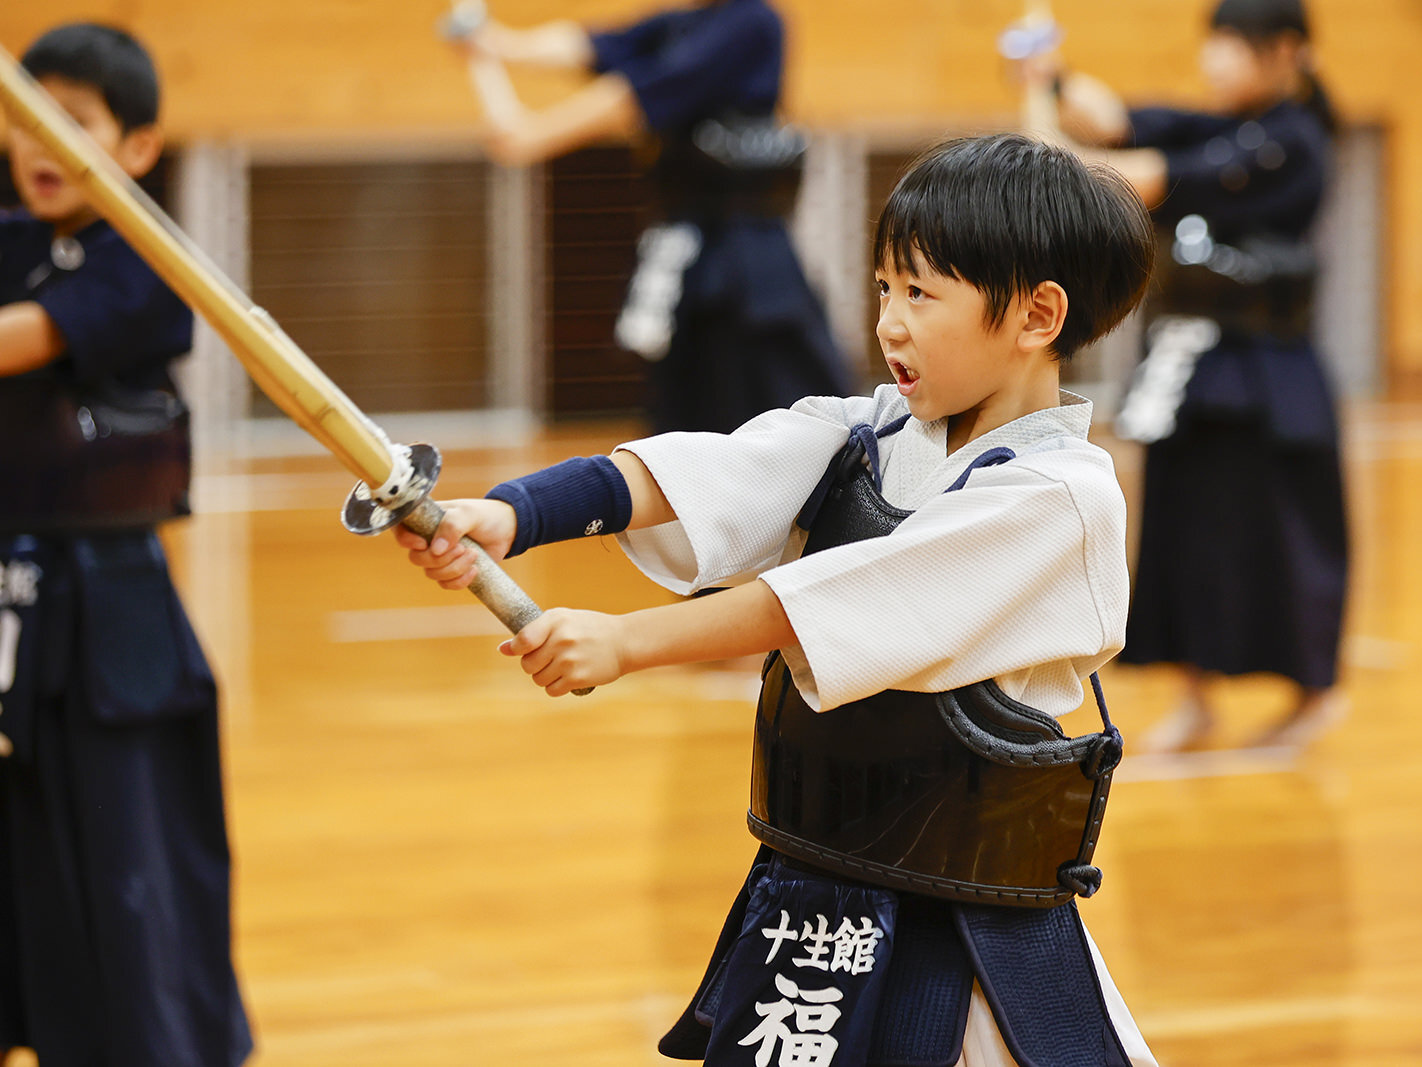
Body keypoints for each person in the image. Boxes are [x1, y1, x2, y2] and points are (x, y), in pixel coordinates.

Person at [396, 133, 1161, 1067]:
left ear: (1037, 313)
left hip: (963, 916)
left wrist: (630, 642)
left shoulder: (1060, 497)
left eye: (922, 292)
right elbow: (714, 471)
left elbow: (839, 601)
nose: (890, 321)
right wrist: (511, 515)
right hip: (818, 882)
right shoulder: (871, 431)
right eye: (884, 287)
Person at [0, 23, 253, 1066]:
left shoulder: (149, 260)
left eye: (74, 122)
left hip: (108, 612)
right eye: (26, 119)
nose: (42, 145)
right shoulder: (11, 238)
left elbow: (22, 339)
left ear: (138, 146)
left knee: (125, 851)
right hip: (5, 594)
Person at [1032, 0, 1349, 752]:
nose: (1215, 62)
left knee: (1281, 533)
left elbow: (1140, 174)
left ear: (1286, 53)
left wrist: (1043, 163)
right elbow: (1111, 119)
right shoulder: (1221, 127)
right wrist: (1051, 79)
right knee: (1183, 528)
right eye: (1213, 45)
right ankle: (1196, 696)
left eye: (1234, 46)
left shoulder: (1294, 143)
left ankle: (1313, 695)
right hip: (1193, 368)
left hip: (1269, 372)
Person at [444, 0, 853, 433]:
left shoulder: (752, 21)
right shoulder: (683, 25)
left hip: (747, 257)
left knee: (783, 403)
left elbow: (647, 91)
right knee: (686, 413)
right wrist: (498, 44)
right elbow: (593, 46)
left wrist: (538, 132)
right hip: (683, 250)